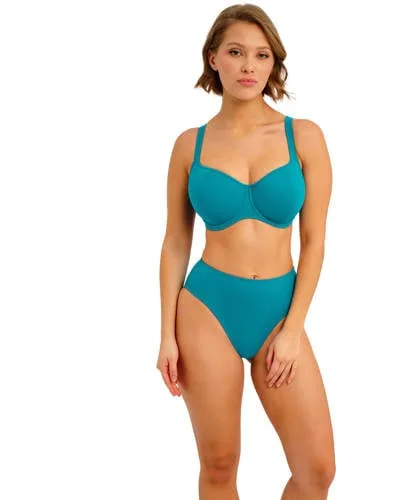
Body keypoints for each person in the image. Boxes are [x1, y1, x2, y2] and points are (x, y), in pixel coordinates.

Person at [157, 4, 335, 499]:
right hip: (206, 308)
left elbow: (315, 241)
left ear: (274, 63)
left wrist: (293, 328)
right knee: (219, 465)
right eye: (236, 52)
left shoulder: (304, 137)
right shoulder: (189, 145)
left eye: (261, 55)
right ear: (213, 58)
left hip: (279, 309)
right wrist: (166, 334)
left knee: (317, 470)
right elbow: (175, 242)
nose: (248, 66)